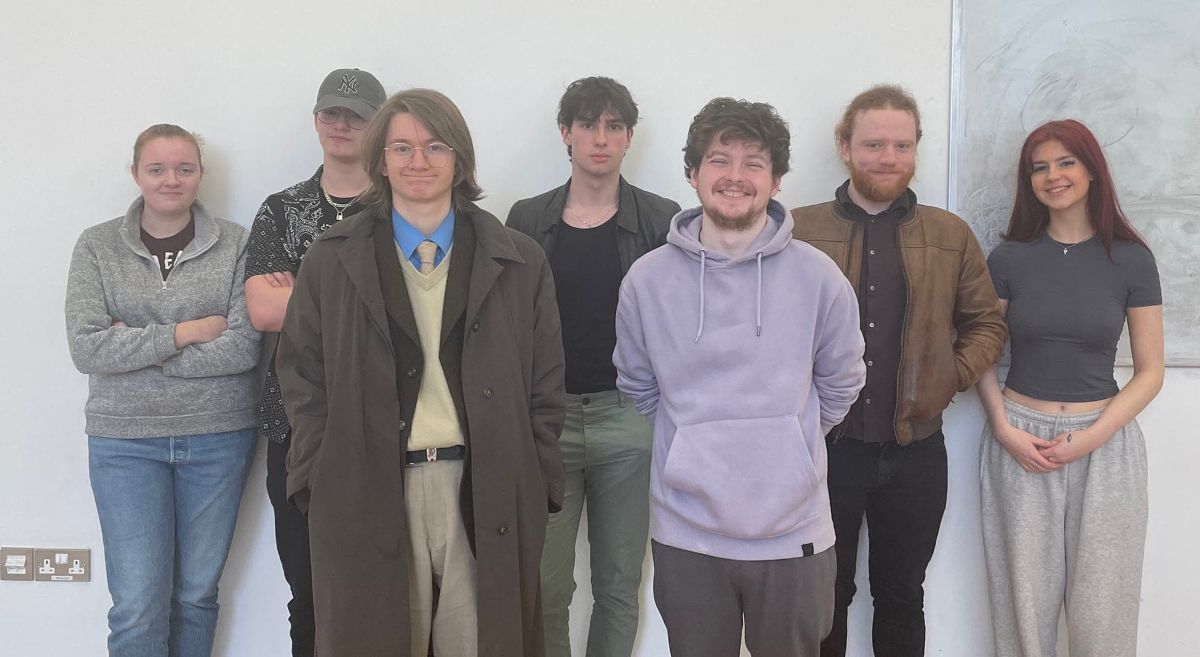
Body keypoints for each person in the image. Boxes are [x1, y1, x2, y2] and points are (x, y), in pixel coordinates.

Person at [276, 88, 566, 657]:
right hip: (370, 483)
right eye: (401, 147)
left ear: (459, 157)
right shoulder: (331, 258)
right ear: (379, 159)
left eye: (435, 146)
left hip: (483, 483)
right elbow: (302, 376)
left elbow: (545, 384)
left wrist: (537, 478)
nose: (418, 162)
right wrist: (317, 473)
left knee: (484, 643)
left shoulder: (519, 259)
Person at [614, 97, 866, 657]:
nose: (734, 176)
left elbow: (842, 381)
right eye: (718, 160)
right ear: (693, 173)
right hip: (687, 534)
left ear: (777, 179)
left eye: (753, 162)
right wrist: (696, 446)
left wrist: (784, 447)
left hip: (794, 534)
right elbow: (638, 385)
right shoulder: (646, 281)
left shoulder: (818, 277)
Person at [791, 84, 1007, 657]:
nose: (889, 157)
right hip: (822, 451)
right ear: (845, 146)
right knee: (821, 599)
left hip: (914, 454)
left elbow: (988, 324)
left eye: (902, 145)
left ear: (915, 150)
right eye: (874, 144)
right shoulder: (797, 229)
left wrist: (948, 376)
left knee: (902, 597)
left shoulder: (949, 234)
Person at [65, 124, 260, 656]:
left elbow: (243, 349)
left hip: (218, 438)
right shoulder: (97, 246)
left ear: (199, 175)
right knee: (136, 605)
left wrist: (138, 351)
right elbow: (87, 349)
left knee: (196, 596)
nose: (171, 180)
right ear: (135, 175)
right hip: (124, 443)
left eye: (184, 168)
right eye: (157, 169)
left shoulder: (238, 242)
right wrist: (188, 332)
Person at [506, 75, 679, 657]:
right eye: (587, 125)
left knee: (618, 585)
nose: (599, 138)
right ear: (566, 133)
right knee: (546, 586)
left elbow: (682, 321)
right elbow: (506, 321)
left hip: (628, 419)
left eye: (613, 126)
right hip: (548, 421)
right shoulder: (529, 218)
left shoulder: (661, 219)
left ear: (629, 137)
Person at [977, 119, 1163, 657]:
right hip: (1019, 441)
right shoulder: (1009, 258)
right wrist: (1002, 425)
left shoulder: (1131, 258)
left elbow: (1150, 370)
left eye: (1065, 162)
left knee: (1103, 612)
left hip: (1103, 446)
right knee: (1022, 611)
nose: (1052, 176)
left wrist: (1090, 436)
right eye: (1040, 167)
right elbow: (982, 351)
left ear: (1091, 171)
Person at [243, 66, 385, 657]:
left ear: (380, 124)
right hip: (295, 426)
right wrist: (358, 299)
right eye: (332, 113)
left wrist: (303, 289)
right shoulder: (282, 209)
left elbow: (408, 309)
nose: (343, 124)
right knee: (306, 590)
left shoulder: (400, 206)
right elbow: (263, 310)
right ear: (316, 122)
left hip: (389, 421)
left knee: (385, 586)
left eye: (356, 115)